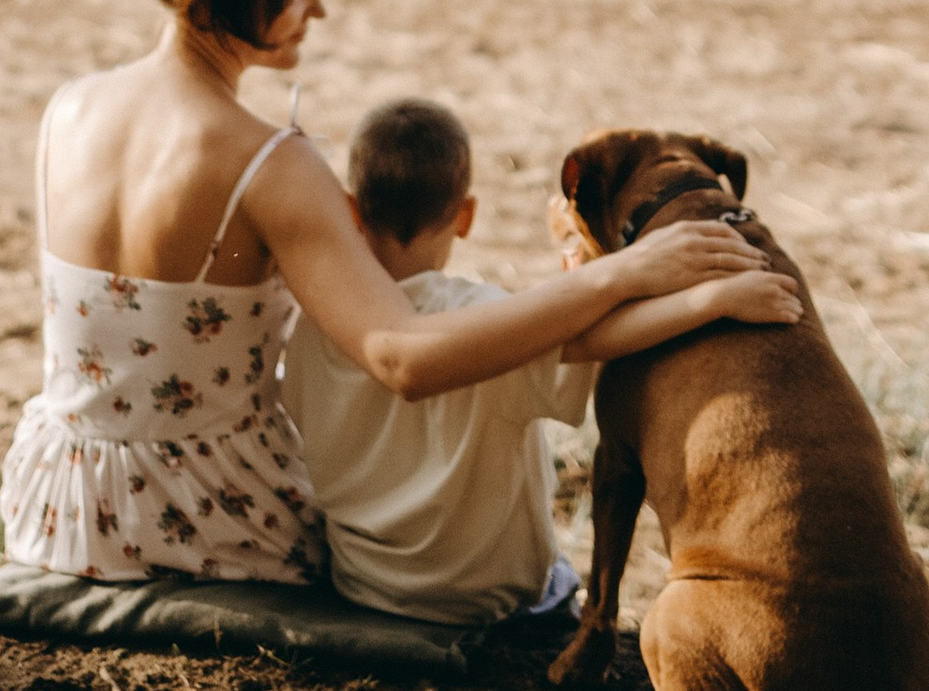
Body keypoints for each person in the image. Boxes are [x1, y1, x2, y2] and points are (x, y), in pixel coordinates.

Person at [0, 0, 796, 588]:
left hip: (60, 504)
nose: (319, 7)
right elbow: (402, 357)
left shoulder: (67, 107)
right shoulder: (268, 163)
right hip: (196, 516)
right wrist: (624, 273)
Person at [281, 96, 791, 626]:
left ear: (350, 208)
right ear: (466, 216)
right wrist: (714, 301)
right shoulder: (489, 322)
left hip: (361, 581)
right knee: (558, 579)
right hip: (482, 598)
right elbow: (596, 339)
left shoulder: (319, 324)